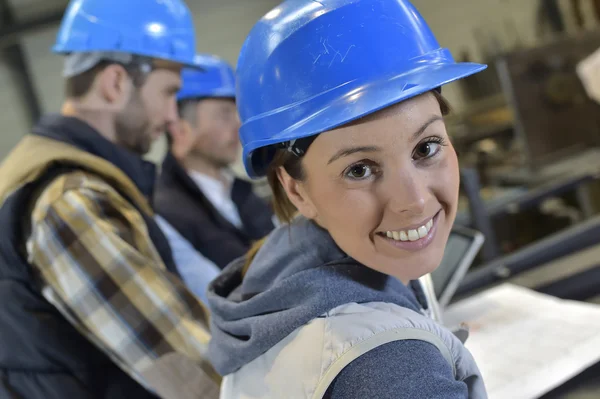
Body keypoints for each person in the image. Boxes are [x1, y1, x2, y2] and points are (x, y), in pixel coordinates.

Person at [207, 0, 489, 398]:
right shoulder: (391, 368)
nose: (415, 202)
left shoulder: (272, 287)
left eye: (426, 148)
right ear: (296, 190)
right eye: (359, 169)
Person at [0, 1, 220, 398]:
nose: (173, 116)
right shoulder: (70, 200)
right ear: (116, 82)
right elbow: (192, 371)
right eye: (169, 93)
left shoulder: (51, 175)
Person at [155, 54, 275, 270]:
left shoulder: (242, 193)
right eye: (224, 114)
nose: (238, 125)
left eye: (237, 113)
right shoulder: (164, 213)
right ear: (180, 129)